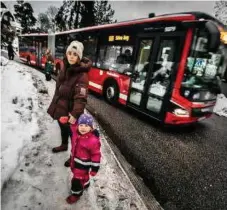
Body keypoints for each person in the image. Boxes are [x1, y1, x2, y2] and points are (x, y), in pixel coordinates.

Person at [47, 40, 92, 156]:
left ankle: (73, 156)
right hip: (61, 107)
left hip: (70, 111)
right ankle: (64, 145)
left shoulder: (82, 75)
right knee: (63, 129)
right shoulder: (65, 67)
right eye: (70, 53)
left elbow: (81, 97)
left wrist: (75, 113)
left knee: (73, 135)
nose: (71, 56)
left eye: (75, 54)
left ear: (79, 56)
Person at [65, 113, 101, 204]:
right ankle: (86, 183)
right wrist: (67, 119)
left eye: (86, 126)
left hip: (83, 165)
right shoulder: (76, 132)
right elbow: (73, 125)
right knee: (82, 176)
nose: (83, 128)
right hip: (75, 161)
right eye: (81, 125)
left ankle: (76, 194)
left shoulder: (93, 141)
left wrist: (94, 168)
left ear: (91, 128)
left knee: (76, 181)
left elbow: (96, 155)